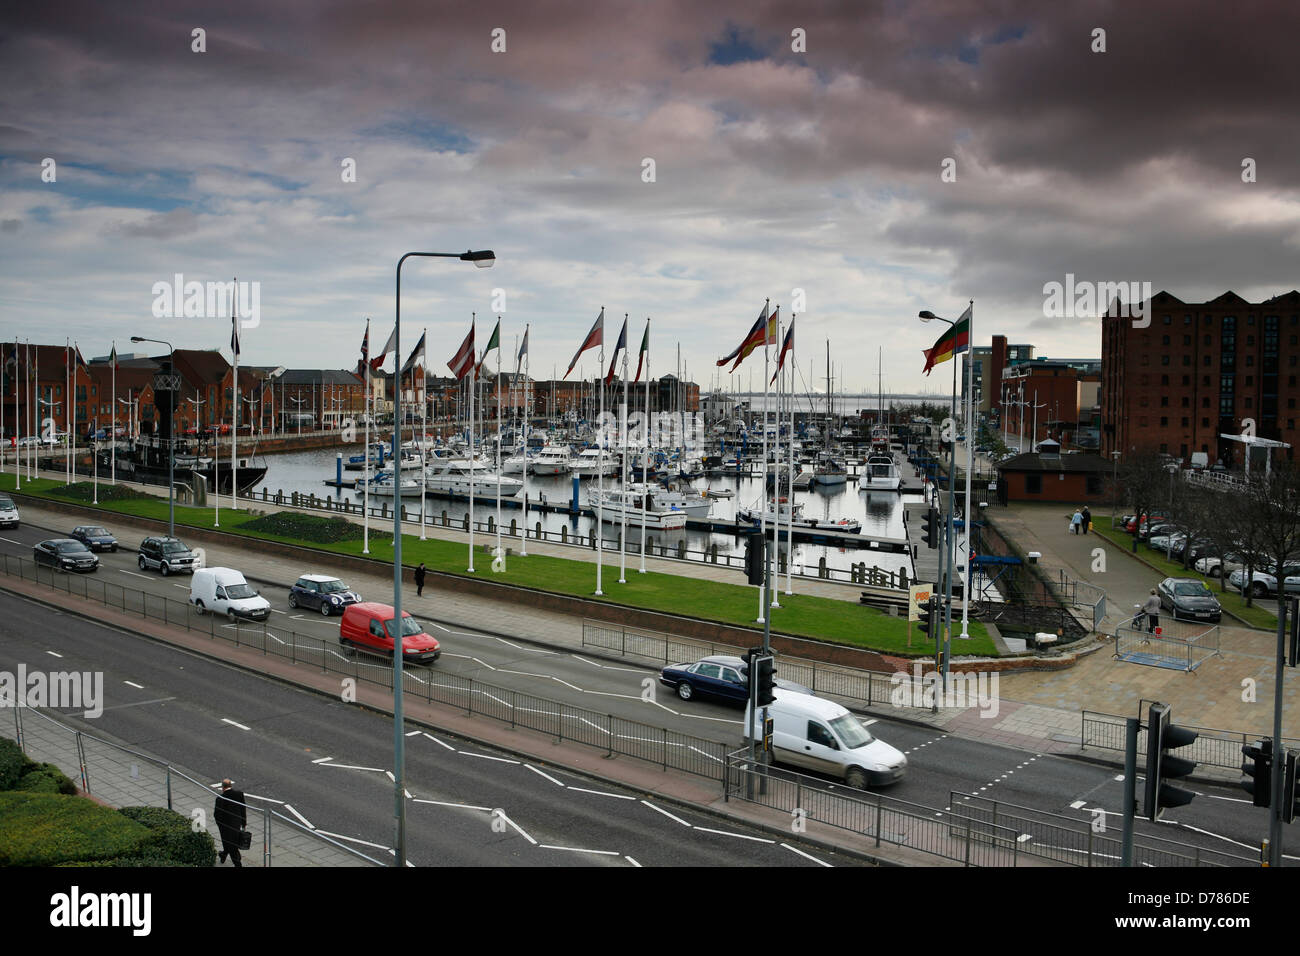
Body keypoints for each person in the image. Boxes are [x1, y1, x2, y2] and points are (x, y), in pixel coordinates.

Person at [215, 778, 247, 867]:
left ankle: (238, 864)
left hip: (225, 827)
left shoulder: (220, 799)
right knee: (230, 843)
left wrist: (220, 826)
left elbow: (217, 815)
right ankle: (223, 855)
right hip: (237, 824)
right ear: (231, 785)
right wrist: (244, 823)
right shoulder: (239, 794)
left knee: (231, 846)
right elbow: (243, 809)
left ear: (223, 787)